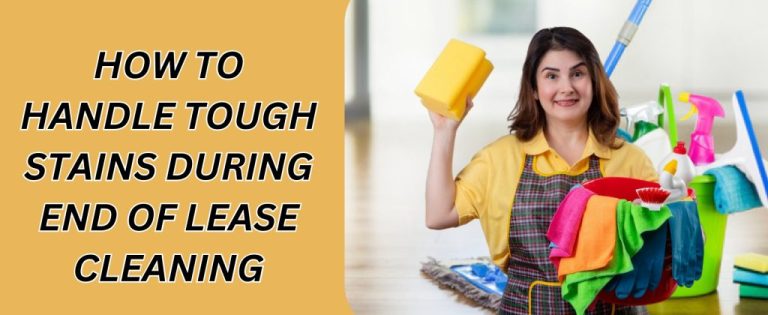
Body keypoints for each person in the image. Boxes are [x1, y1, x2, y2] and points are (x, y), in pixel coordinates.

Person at [425, 27, 658, 314]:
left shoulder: (630, 161)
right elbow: (438, 215)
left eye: (578, 73)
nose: (566, 87)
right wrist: (444, 130)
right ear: (533, 89)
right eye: (551, 76)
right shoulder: (500, 158)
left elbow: (662, 243)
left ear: (594, 82)